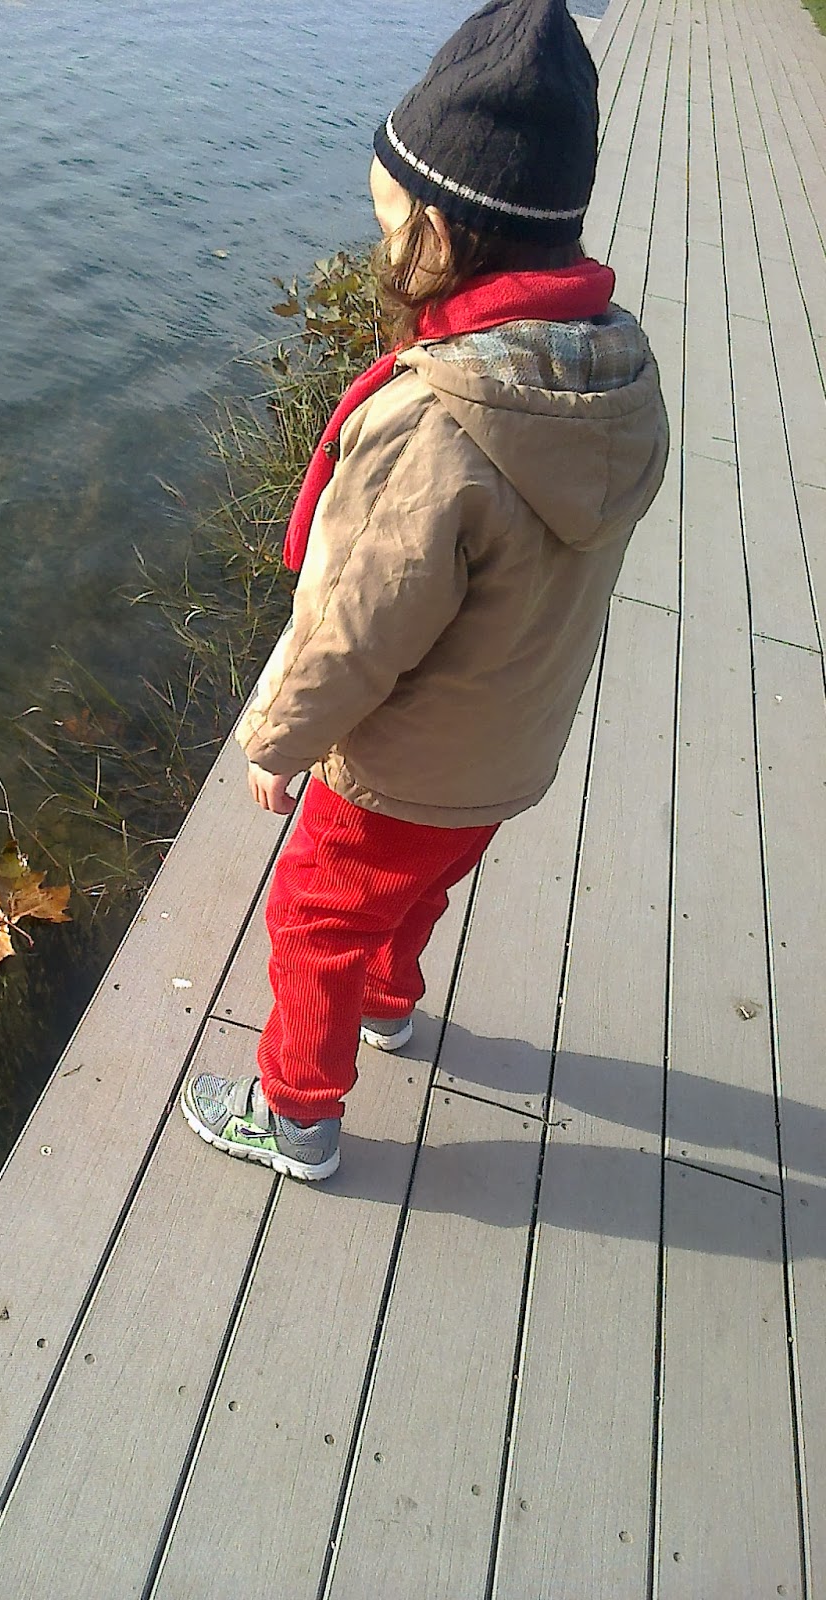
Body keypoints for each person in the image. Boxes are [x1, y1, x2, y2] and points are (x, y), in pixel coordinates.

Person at [181, 0, 669, 1181]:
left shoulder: (434, 428)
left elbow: (357, 629)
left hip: (404, 764)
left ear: (441, 237)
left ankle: (296, 1114)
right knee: (417, 887)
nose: (378, 245)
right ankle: (389, 1004)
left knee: (315, 914)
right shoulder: (612, 376)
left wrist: (279, 738)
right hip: (502, 752)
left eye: (387, 222)